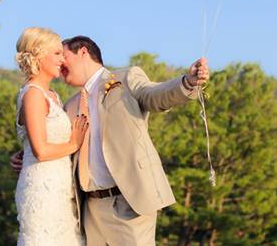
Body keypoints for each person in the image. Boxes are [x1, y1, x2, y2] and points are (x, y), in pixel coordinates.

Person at [12, 34, 209, 245]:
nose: (61, 62)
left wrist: (188, 82)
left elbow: (155, 94)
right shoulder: (68, 106)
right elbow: (52, 142)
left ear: (83, 52)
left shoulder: (125, 79)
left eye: (63, 54)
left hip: (129, 203)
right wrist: (28, 155)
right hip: (89, 210)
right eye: (56, 54)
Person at [14, 27, 87, 245]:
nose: (62, 59)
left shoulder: (52, 95)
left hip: (60, 188)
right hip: (42, 190)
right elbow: (42, 151)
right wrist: (74, 143)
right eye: (56, 53)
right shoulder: (33, 94)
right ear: (38, 55)